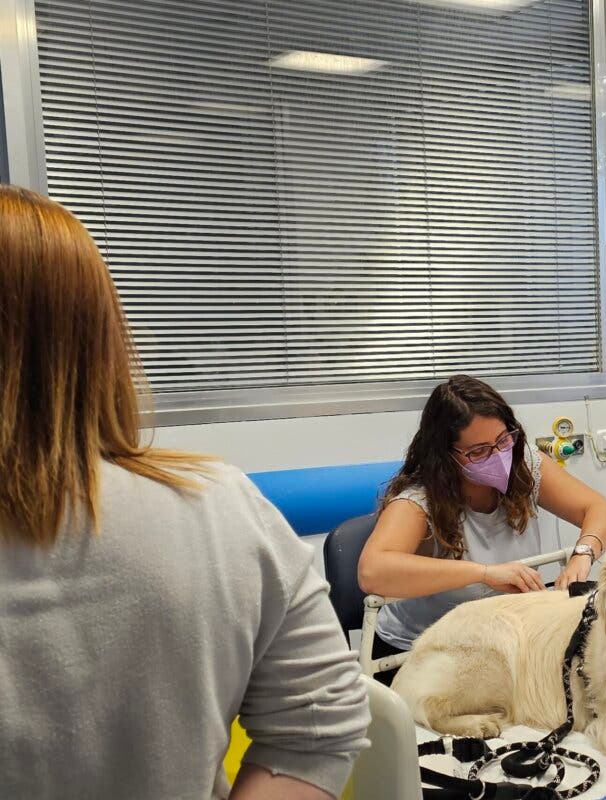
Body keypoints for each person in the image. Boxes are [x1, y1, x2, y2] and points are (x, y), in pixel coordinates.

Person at [0, 186, 369, 800]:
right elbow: (320, 725)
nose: (493, 459)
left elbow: (325, 719)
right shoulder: (220, 508)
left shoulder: (223, 508)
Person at [358, 374, 606, 682]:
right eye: (478, 451)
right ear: (446, 456)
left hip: (499, 640)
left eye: (503, 440)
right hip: (419, 654)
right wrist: (485, 573)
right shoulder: (419, 500)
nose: (497, 456)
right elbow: (371, 572)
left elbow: (600, 510)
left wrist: (582, 555)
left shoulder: (525, 466)